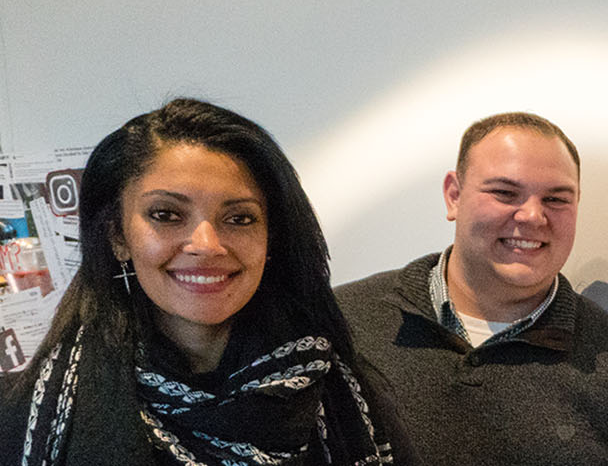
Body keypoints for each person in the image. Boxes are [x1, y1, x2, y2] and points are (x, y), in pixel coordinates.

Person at [0, 98, 412, 465]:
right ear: (118, 237)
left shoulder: (347, 395)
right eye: (165, 214)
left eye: (239, 219)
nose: (207, 244)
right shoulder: (27, 412)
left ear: (272, 240)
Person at [334, 112, 608, 464]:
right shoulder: (342, 324)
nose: (532, 216)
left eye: (556, 199)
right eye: (505, 193)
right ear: (454, 195)